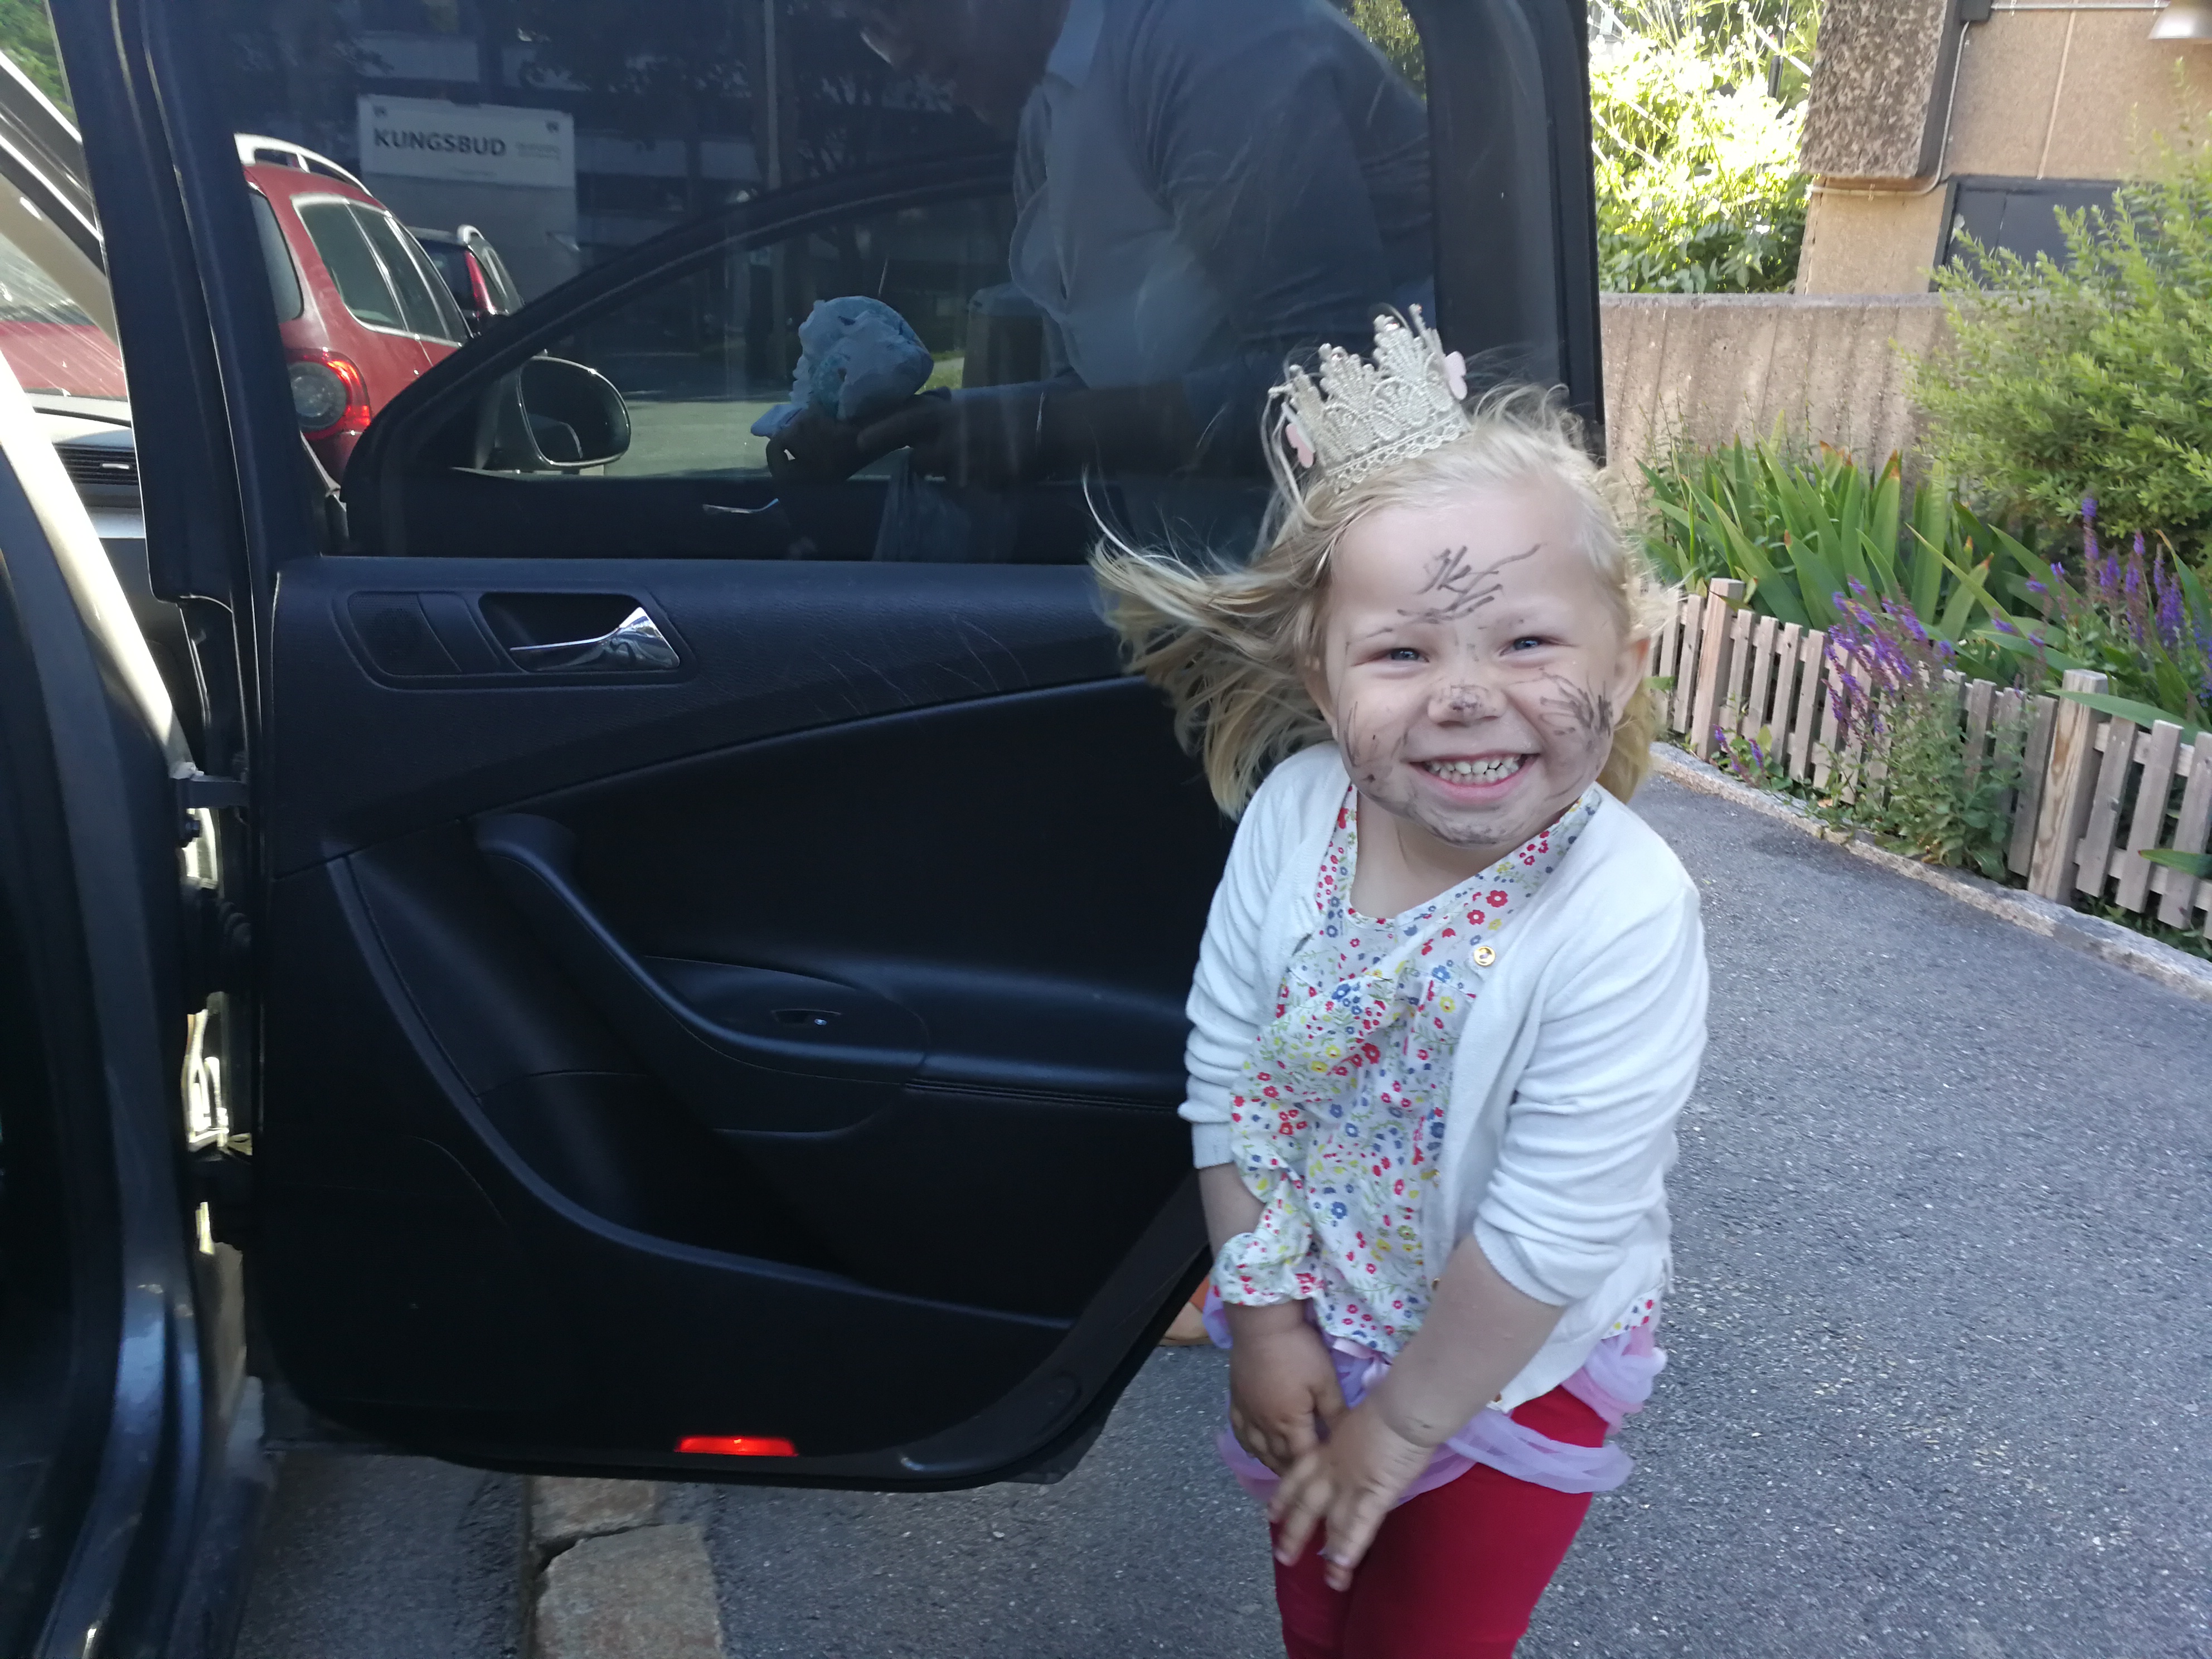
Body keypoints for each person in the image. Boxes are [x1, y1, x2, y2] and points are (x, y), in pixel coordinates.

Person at [1092, 313, 1709, 1658]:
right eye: (1401, 653)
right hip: (1323, 1310)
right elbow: (1231, 1078)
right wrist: (1264, 1319)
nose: (1465, 695)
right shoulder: (1297, 815)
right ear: (1321, 680)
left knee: (1424, 1637)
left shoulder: (1624, 911)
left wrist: (1402, 1426)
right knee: (1316, 1609)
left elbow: (1551, 1225)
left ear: (1621, 667)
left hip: (1510, 1357)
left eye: (1528, 643)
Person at [780, 0, 1431, 489]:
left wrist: (1043, 431)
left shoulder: (1209, 35)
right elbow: (1106, 391)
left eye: (889, 6)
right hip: (1206, 590)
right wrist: (931, 424)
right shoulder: (1044, 116)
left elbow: (1336, 392)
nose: (893, 53)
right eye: (864, 25)